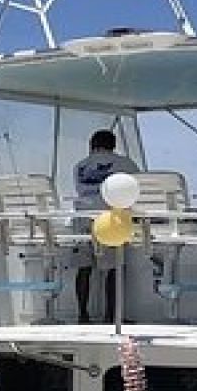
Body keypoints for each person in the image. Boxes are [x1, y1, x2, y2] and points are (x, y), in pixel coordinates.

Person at [72, 129, 139, 323]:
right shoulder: (125, 164)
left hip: (82, 218)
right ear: (113, 145)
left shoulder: (79, 166)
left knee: (83, 267)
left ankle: (82, 314)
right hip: (109, 219)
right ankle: (112, 316)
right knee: (114, 267)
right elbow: (135, 191)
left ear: (92, 146)